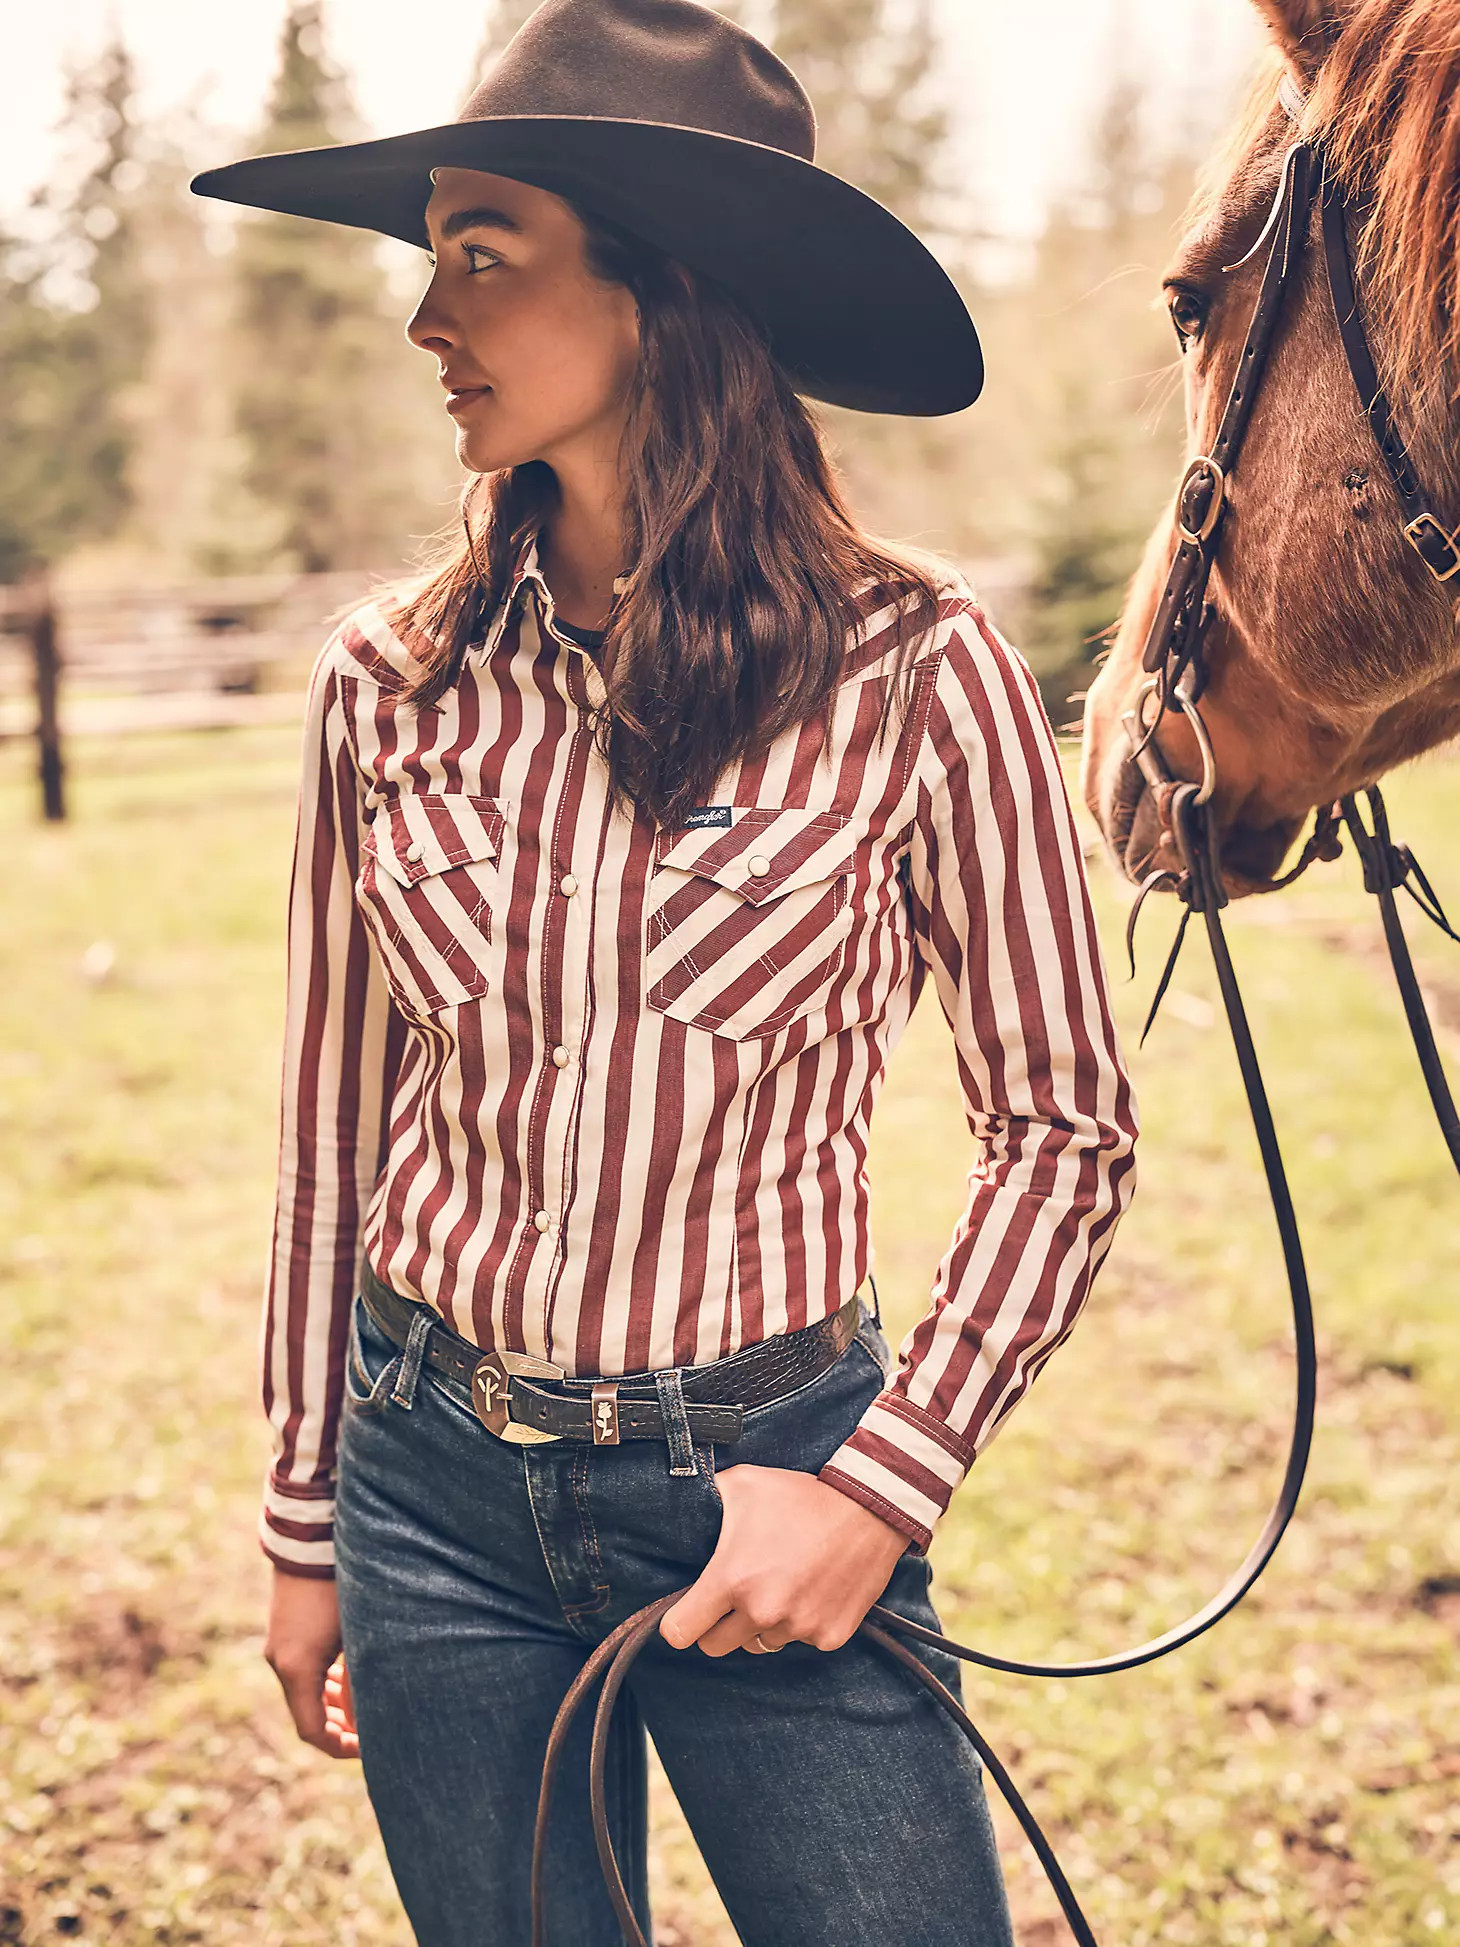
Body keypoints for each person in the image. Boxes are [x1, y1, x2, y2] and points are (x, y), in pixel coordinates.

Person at [194, 2, 1137, 1942]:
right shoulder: (390, 682)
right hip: (428, 1486)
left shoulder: (918, 669)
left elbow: (1065, 1127)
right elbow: (328, 1136)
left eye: (482, 250)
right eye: (426, 252)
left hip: (774, 1472)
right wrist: (309, 1522)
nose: (422, 317)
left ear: (662, 288)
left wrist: (877, 1489)